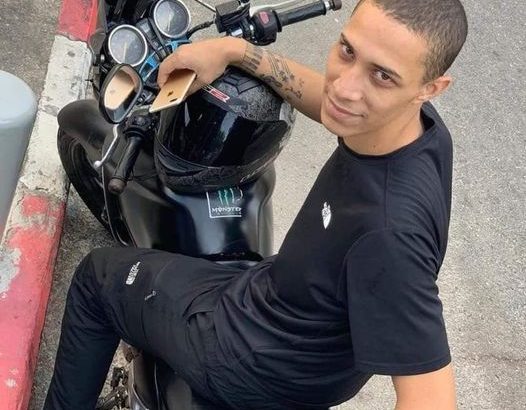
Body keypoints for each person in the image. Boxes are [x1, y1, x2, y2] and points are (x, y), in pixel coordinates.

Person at [44, 0, 468, 408]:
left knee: (96, 279)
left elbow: (431, 399)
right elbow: (327, 98)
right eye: (347, 51)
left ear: (432, 88)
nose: (345, 86)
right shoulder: (415, 130)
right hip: (289, 321)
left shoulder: (390, 235)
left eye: (382, 76)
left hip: (248, 358)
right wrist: (235, 51)